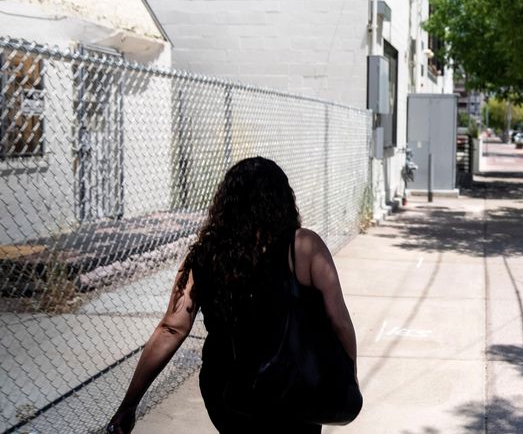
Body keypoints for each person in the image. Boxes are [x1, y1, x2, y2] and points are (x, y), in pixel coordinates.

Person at [107, 157, 357, 433]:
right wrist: (347, 376)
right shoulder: (304, 246)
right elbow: (339, 321)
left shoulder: (204, 255)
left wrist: (129, 403)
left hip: (229, 390)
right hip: (295, 385)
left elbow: (172, 328)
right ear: (283, 200)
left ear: (226, 204)